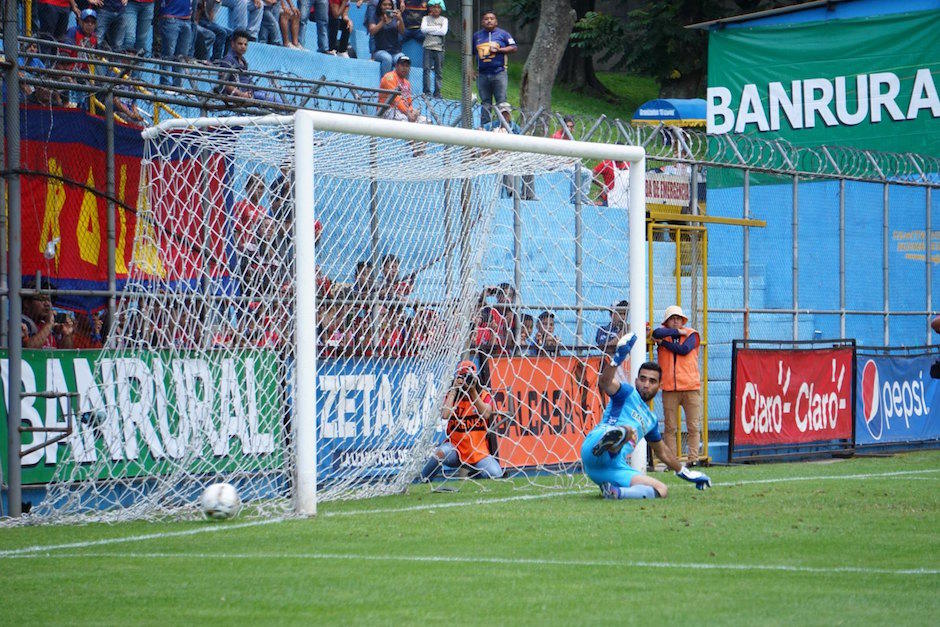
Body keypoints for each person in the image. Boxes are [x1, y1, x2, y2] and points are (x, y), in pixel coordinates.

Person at [580, 334, 711, 499]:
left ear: (659, 386)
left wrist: (684, 471)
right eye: (642, 379)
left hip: (612, 468)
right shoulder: (626, 393)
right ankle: (610, 442)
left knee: (661, 489)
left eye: (652, 381)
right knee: (628, 431)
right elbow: (605, 383)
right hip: (593, 448)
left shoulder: (651, 421)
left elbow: (662, 452)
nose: (646, 384)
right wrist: (617, 359)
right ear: (636, 381)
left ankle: (616, 492)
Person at [420, 360, 503, 481]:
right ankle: (423, 479)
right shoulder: (452, 396)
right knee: (439, 453)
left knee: (496, 474)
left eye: (469, 377)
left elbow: (486, 413)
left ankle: (475, 474)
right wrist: (454, 390)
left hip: (478, 452)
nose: (466, 380)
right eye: (463, 377)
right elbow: (445, 415)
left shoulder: (484, 395)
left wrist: (472, 391)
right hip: (455, 450)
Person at [651, 305, 702, 466]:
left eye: (678, 318)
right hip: (669, 388)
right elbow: (656, 333)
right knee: (670, 427)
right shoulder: (662, 334)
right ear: (666, 321)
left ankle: (693, 459)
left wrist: (664, 344)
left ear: (683, 320)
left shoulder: (691, 334)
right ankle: (672, 461)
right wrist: (674, 333)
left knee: (693, 426)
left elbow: (684, 350)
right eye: (672, 318)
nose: (675, 321)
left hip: (690, 387)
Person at [472, 9, 516, 125]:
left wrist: (499, 50)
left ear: (496, 21)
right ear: (482, 22)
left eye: (492, 19)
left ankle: (502, 126)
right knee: (485, 102)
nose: (489, 21)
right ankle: (485, 127)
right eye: (486, 19)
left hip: (499, 72)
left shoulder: (503, 34)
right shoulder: (476, 36)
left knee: (501, 101)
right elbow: (470, 54)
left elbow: (513, 47)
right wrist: (471, 70)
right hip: (482, 74)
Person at [217, 30, 281, 102]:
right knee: (276, 101)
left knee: (273, 98)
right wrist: (241, 94)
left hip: (250, 91)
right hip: (240, 94)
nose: (243, 47)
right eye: (240, 44)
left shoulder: (243, 60)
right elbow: (224, 83)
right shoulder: (228, 59)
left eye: (245, 44)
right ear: (233, 44)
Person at [21, 279, 75, 349]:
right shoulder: (21, 322)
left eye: (49, 300)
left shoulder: (48, 325)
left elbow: (66, 354)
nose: (47, 304)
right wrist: (49, 323)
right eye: (42, 299)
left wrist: (66, 335)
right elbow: (29, 350)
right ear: (27, 303)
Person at [379, 54, 427, 123]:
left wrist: (412, 111)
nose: (405, 68)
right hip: (388, 110)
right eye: (402, 65)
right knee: (404, 121)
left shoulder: (407, 83)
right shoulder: (389, 77)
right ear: (396, 66)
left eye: (407, 66)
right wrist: (408, 113)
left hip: (403, 111)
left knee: (426, 121)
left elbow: (409, 101)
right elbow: (395, 99)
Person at [158, 0, 192, 86]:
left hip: (186, 18)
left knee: (181, 56)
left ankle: (177, 86)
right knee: (168, 53)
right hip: (170, 16)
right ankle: (165, 85)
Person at [369, 0, 404, 77]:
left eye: (389, 5)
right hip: (380, 51)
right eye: (384, 5)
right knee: (387, 58)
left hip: (395, 52)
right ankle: (385, 83)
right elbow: (372, 32)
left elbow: (402, 31)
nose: (387, 7)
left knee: (403, 60)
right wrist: (382, 22)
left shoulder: (395, 17)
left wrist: (400, 19)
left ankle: (402, 83)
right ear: (380, 6)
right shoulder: (375, 16)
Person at [420, 0, 447, 98]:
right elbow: (423, 29)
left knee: (438, 71)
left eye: (438, 7)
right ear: (430, 8)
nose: (436, 9)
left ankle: (437, 92)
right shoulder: (425, 18)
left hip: (439, 48)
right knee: (426, 69)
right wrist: (437, 28)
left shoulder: (444, 20)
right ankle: (426, 91)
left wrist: (430, 29)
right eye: (434, 7)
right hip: (427, 47)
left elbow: (443, 32)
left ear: (441, 9)